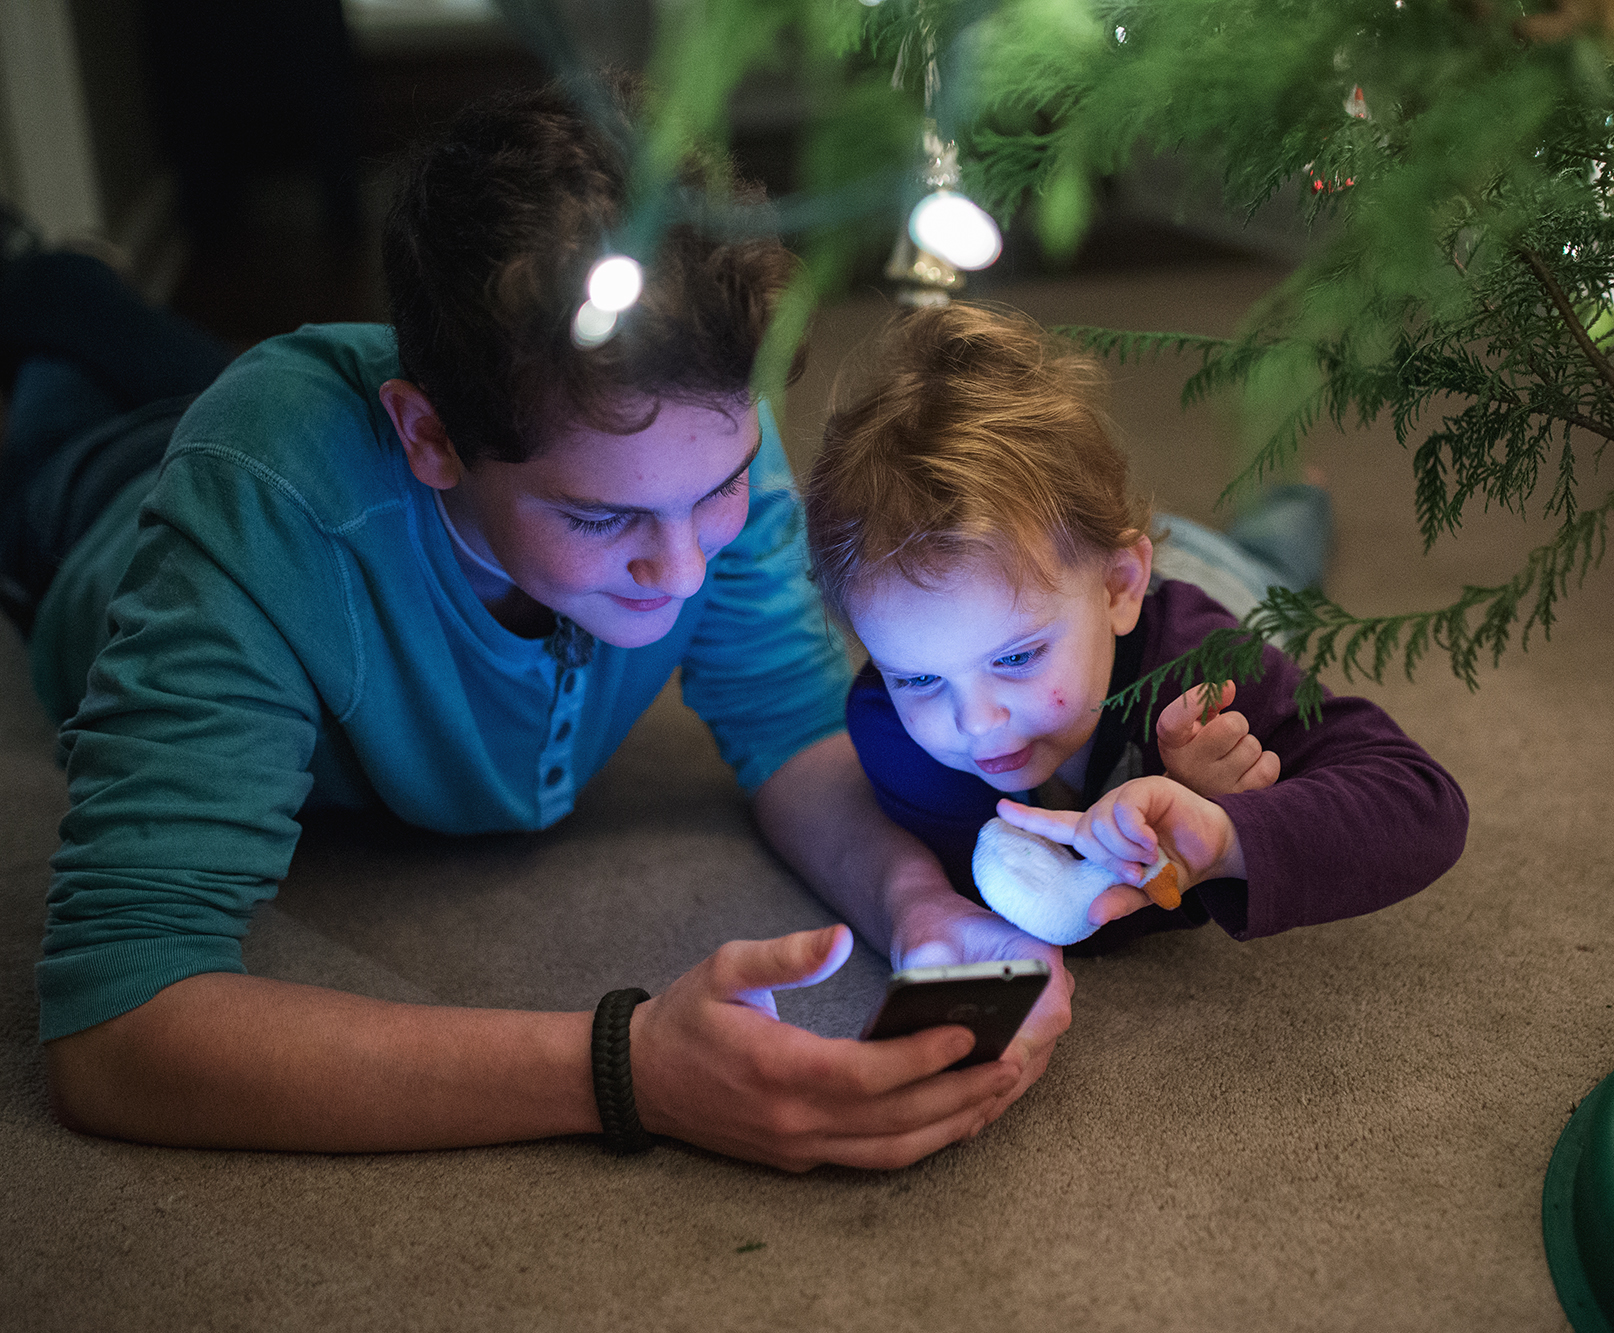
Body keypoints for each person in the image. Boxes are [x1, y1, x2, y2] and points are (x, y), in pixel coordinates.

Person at [3, 82, 1070, 1169]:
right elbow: (114, 1027)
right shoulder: (265, 499)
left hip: (338, 422)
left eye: (719, 489)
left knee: (169, 357)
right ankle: (43, 279)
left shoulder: (688, 423)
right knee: (49, 412)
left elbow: (789, 726)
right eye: (600, 516)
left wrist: (919, 911)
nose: (687, 564)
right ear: (427, 437)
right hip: (96, 513)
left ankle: (72, 286)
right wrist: (627, 1068)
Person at [801, 304, 1468, 952]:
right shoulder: (888, 723)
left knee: (1279, 559)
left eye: (1017, 657)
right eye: (917, 675)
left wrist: (1227, 831)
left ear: (1121, 587)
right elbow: (1053, 910)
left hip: (1227, 581)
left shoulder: (1201, 670)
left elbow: (1424, 804)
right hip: (1107, 565)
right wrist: (1175, 828)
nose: (974, 721)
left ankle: (1296, 490)